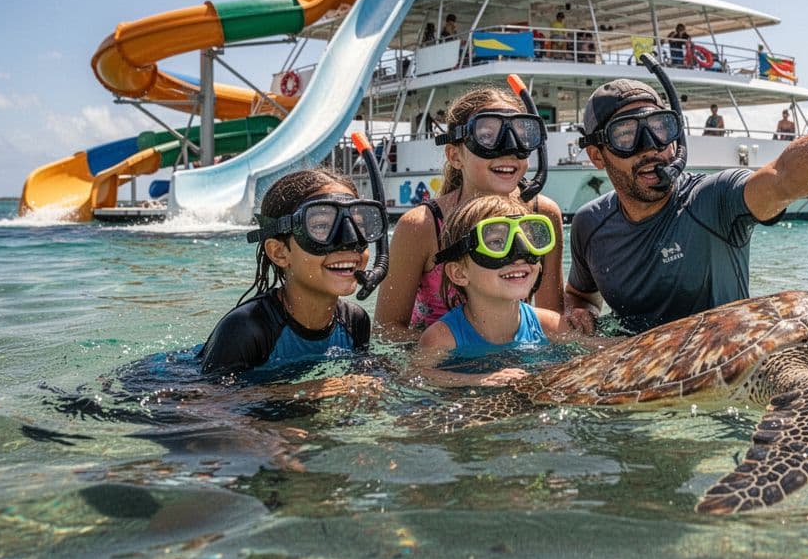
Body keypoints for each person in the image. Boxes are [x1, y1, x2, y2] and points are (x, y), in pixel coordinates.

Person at [564, 79, 808, 334]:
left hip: (726, 381)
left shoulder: (714, 199)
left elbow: (783, 178)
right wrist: (581, 311)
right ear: (597, 155)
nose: (652, 148)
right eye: (627, 135)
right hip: (637, 382)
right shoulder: (589, 224)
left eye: (661, 128)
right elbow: (581, 294)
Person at [375, 86, 567, 341]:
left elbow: (552, 316)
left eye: (522, 136)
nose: (508, 149)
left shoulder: (542, 213)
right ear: (455, 155)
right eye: (487, 136)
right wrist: (456, 352)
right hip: (442, 365)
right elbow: (386, 331)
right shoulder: (421, 226)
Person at [198, 169, 384, 375]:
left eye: (359, 225)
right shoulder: (245, 329)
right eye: (321, 226)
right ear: (279, 253)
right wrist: (327, 389)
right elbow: (211, 402)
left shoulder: (355, 321)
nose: (350, 240)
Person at [410, 194, 574, 387]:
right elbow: (415, 376)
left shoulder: (550, 325)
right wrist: (477, 380)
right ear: (459, 273)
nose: (519, 255)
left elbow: (596, 352)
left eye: (529, 240)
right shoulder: (443, 337)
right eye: (496, 242)